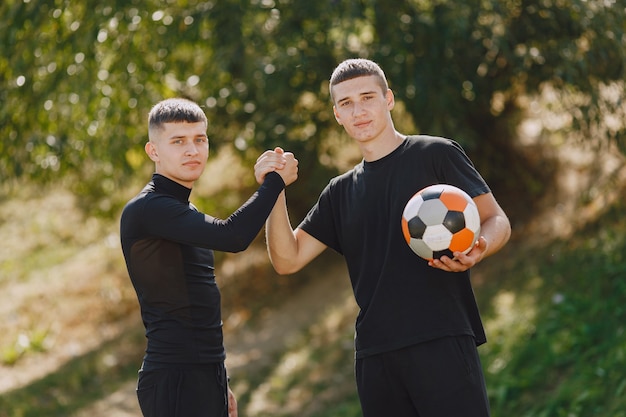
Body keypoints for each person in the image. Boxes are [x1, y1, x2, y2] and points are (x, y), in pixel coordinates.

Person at [261, 59, 511, 417]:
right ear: (337, 114)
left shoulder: (436, 154)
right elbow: (287, 260)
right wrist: (274, 191)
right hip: (376, 357)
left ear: (388, 99)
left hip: (441, 339)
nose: (358, 111)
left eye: (367, 97)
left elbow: (496, 219)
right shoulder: (339, 192)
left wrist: (481, 247)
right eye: (346, 103)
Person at [120, 97, 297, 417]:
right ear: (153, 151)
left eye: (199, 139)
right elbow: (233, 236)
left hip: (204, 374)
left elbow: (197, 304)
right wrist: (275, 182)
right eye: (178, 141)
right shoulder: (148, 209)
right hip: (175, 377)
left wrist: (218, 379)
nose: (192, 150)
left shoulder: (184, 213)